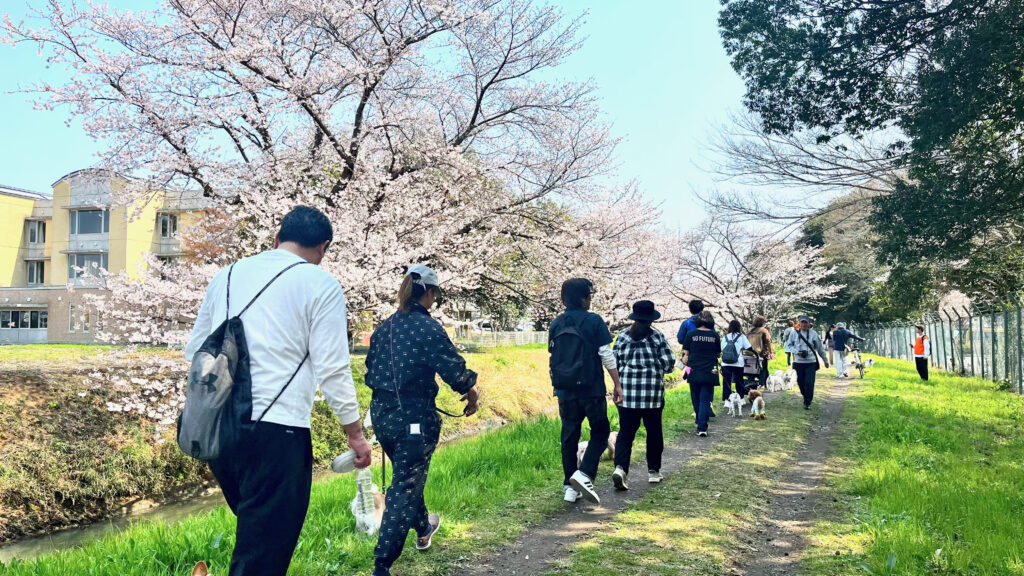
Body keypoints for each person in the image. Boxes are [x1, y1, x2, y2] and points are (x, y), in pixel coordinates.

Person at [184, 206, 372, 576]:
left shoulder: (226, 275)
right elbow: (332, 367)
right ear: (323, 248)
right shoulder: (321, 284)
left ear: (276, 239)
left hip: (220, 432)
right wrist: (355, 433)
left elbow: (196, 352)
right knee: (262, 557)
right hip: (278, 432)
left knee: (255, 542)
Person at [364, 265, 481, 576]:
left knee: (407, 475)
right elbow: (454, 369)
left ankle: (424, 526)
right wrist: (472, 393)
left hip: (383, 417)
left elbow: (370, 371)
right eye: (436, 294)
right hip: (413, 421)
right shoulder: (427, 328)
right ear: (428, 293)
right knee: (405, 484)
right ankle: (382, 564)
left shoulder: (384, 328)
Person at [549, 278, 624, 505]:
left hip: (565, 390)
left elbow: (554, 358)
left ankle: (569, 488)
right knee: (601, 432)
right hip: (591, 388)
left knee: (569, 436)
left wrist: (558, 386)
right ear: (583, 298)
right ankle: (584, 474)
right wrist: (617, 384)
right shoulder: (594, 321)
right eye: (589, 295)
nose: (591, 299)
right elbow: (606, 354)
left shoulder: (556, 324)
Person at [610, 301, 676, 490]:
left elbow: (613, 363)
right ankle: (653, 471)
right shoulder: (657, 337)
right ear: (651, 319)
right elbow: (669, 364)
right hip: (652, 394)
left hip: (628, 394)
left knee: (626, 433)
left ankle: (621, 468)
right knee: (654, 432)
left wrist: (618, 383)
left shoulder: (622, 337)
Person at [682, 310, 720, 437]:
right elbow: (718, 353)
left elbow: (685, 356)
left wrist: (685, 369)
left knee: (696, 398)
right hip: (710, 370)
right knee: (705, 399)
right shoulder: (715, 335)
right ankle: (702, 427)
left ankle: (699, 420)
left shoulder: (691, 335)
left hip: (693, 370)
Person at [785, 315, 830, 409]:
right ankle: (805, 396)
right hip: (798, 362)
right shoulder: (794, 333)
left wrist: (825, 360)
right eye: (802, 322)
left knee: (809, 382)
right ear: (799, 323)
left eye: (806, 322)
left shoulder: (814, 334)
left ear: (809, 323)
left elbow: (820, 348)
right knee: (801, 382)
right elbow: (788, 346)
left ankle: (807, 402)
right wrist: (796, 351)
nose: (804, 324)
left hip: (811, 362)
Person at [720, 319, 752, 401]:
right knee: (739, 381)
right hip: (738, 363)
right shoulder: (742, 337)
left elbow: (721, 348)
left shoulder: (725, 337)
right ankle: (740, 398)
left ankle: (726, 400)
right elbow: (749, 348)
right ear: (739, 327)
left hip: (725, 363)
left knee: (726, 382)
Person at [746, 315, 774, 390]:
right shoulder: (764, 331)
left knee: (752, 369)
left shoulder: (750, 331)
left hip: (750, 353)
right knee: (763, 368)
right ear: (763, 323)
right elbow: (768, 342)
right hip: (761, 353)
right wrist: (771, 352)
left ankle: (753, 382)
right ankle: (762, 383)